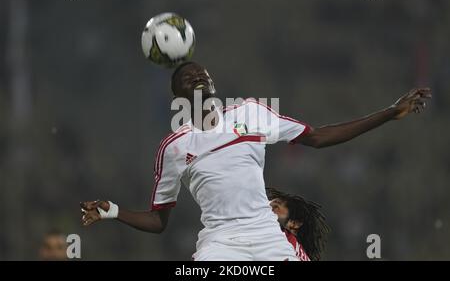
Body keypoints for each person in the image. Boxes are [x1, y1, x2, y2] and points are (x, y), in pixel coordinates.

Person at [80, 61, 431, 260]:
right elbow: (159, 222)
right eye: (189, 78)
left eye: (204, 74)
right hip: (220, 243)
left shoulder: (251, 112)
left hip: (266, 235)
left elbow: (318, 137)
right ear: (178, 96)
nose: (199, 77)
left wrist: (388, 112)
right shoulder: (174, 146)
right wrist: (113, 211)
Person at [267, 187, 330, 261]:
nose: (267, 208)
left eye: (275, 207)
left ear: (294, 223)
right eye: (268, 203)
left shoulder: (283, 243)